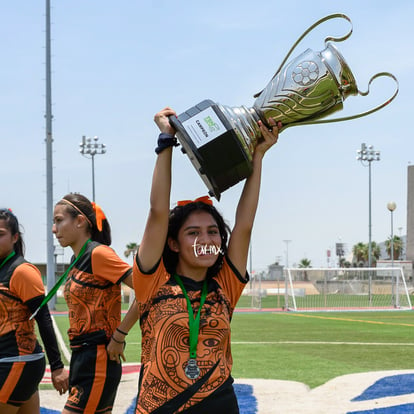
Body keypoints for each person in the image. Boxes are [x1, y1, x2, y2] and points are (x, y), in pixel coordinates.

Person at [133, 107, 280, 413]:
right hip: (161, 407)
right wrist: (166, 141)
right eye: (193, 233)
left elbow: (244, 225)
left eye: (213, 232)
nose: (206, 239)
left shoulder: (225, 285)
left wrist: (258, 157)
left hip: (219, 404)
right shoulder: (153, 281)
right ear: (172, 243)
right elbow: (158, 212)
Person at [52, 193, 139, 414]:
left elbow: (146, 290)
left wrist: (119, 335)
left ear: (80, 221)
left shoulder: (98, 254)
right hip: (83, 356)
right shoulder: (76, 259)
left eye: (59, 220)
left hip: (99, 357)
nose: (54, 229)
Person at [0, 208, 68, 414]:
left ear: (14, 237)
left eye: (0, 234)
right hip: (13, 361)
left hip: (18, 361)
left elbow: (44, 319)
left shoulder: (21, 271)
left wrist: (57, 367)